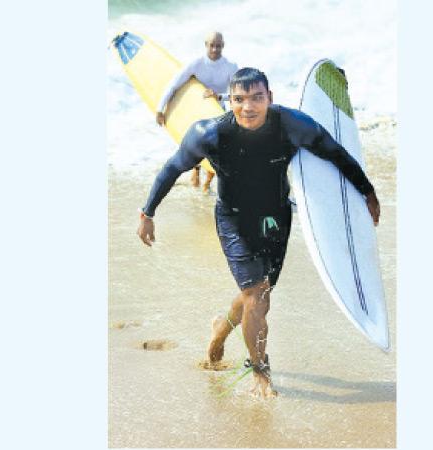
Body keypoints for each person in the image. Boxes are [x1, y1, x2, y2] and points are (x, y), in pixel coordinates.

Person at [137, 68, 381, 398]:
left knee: (259, 298)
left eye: (256, 98)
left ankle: (221, 327)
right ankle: (261, 372)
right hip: (234, 219)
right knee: (257, 295)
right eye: (239, 99)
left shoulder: (293, 125)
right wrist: (147, 213)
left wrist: (366, 193)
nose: (248, 107)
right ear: (230, 101)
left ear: (269, 98)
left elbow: (334, 152)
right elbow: (171, 169)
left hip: (276, 217)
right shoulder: (209, 134)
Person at [156, 31, 238, 191]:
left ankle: (207, 182)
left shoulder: (231, 67)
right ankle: (196, 171)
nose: (215, 49)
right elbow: (174, 84)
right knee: (195, 145)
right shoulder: (196, 63)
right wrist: (160, 109)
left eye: (218, 46)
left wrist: (219, 96)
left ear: (223, 46)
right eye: (212, 45)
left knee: (216, 149)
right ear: (206, 45)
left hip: (217, 111)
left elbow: (239, 95)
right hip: (196, 111)